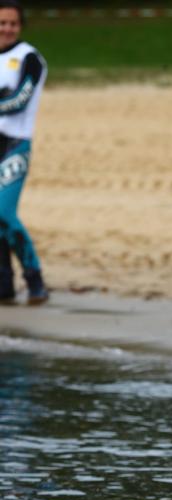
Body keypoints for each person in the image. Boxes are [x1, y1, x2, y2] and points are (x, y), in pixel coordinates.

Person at [0, 0, 47, 306]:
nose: (7, 29)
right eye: (2, 23)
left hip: (15, 144)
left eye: (12, 23)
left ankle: (34, 278)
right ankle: (4, 284)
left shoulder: (29, 58)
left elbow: (20, 100)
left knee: (3, 214)